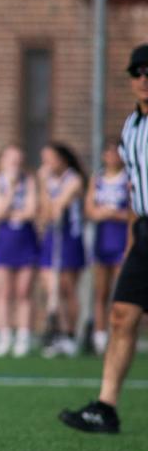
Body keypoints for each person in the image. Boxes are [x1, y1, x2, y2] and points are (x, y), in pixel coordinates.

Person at [60, 43, 148, 433]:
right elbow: (135, 189)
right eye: (137, 73)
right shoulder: (131, 128)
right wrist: (134, 234)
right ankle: (106, 406)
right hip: (144, 229)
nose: (144, 79)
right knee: (121, 314)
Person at [0, 145, 39, 357]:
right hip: (3, 241)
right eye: (10, 159)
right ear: (3, 161)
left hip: (25, 240)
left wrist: (13, 212)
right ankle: (4, 337)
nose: (15, 164)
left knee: (24, 291)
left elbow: (31, 211)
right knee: (3, 291)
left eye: (18, 159)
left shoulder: (30, 181)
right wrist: (11, 191)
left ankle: (23, 336)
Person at [37, 143, 87, 358]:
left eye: (50, 159)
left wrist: (45, 186)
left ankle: (71, 334)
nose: (46, 164)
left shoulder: (73, 180)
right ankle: (56, 333)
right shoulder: (47, 182)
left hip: (69, 238)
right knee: (51, 287)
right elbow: (46, 213)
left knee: (67, 288)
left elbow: (57, 209)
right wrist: (43, 185)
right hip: (52, 237)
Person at [85, 138, 130, 355]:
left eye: (116, 151)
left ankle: (119, 335)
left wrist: (118, 214)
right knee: (100, 291)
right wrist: (100, 213)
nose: (112, 156)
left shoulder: (129, 178)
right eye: (109, 151)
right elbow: (89, 209)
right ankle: (100, 336)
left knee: (121, 294)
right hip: (102, 240)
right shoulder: (98, 178)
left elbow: (135, 210)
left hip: (122, 240)